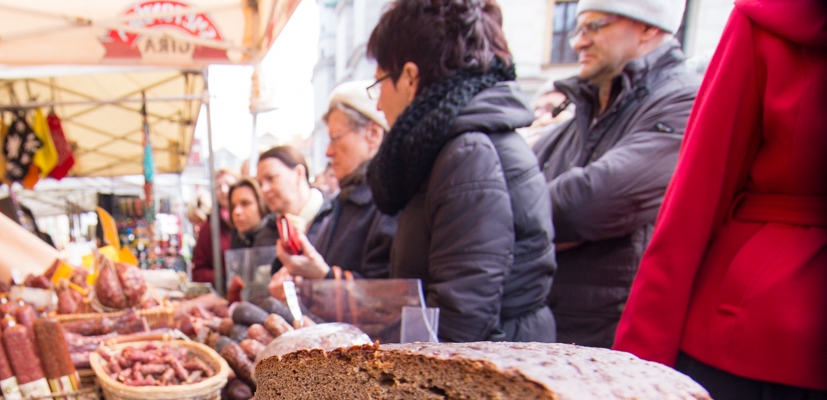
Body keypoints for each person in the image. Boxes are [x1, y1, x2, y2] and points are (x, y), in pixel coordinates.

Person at [613, 0, 826, 400]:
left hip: (755, 329)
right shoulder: (767, 20)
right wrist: (639, 378)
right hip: (752, 350)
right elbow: (695, 198)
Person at [363, 0, 556, 343]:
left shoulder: (466, 154)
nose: (377, 103)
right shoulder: (447, 147)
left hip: (492, 379)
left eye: (379, 84)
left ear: (409, 77)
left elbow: (460, 321)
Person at [533, 0, 698, 348]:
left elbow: (585, 206)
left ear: (648, 28)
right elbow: (511, 197)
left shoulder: (683, 100)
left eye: (595, 26)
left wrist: (528, 225)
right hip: (554, 330)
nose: (578, 42)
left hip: (613, 342)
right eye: (578, 28)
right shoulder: (584, 109)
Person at [271, 81, 399, 290]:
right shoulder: (343, 201)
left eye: (335, 139)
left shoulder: (389, 203)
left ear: (373, 134)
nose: (328, 152)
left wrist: (323, 275)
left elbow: (388, 295)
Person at [255, 146, 327, 236]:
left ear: (299, 173)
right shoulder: (267, 232)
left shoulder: (333, 219)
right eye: (260, 183)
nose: (264, 189)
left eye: (271, 178)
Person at [191, 167, 238, 283]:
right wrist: (224, 276)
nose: (224, 190)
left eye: (228, 184)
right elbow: (198, 272)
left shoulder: (252, 222)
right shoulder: (208, 228)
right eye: (218, 187)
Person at [228, 178, 278, 249]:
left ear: (262, 204)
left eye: (245, 203)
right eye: (233, 206)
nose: (237, 211)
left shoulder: (277, 238)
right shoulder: (237, 237)